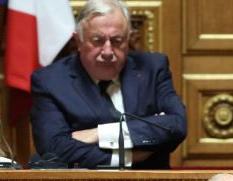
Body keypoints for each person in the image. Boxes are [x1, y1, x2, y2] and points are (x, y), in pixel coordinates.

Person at [30, 0, 186, 169]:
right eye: (97, 41)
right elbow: (53, 148)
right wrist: (126, 157)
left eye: (117, 41)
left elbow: (176, 125)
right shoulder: (50, 81)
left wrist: (99, 134)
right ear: (78, 40)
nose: (107, 52)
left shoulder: (152, 68)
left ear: (128, 39)